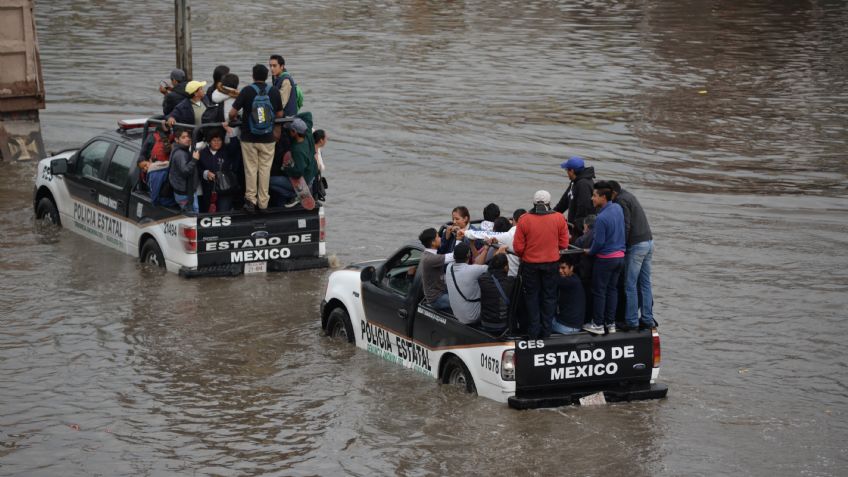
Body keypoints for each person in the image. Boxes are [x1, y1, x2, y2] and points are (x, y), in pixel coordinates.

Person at [513, 190, 570, 339]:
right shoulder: (559, 218)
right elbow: (564, 244)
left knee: (531, 297)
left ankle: (533, 331)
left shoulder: (524, 219)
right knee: (549, 297)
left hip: (530, 265)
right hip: (551, 264)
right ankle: (546, 331)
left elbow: (518, 248)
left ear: (533, 203)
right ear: (549, 203)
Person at [228, 64, 284, 213]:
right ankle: (264, 203)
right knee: (265, 170)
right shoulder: (274, 91)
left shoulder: (247, 91)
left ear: (253, 76)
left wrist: (232, 118)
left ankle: (251, 201)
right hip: (268, 138)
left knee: (251, 170)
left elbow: (232, 113)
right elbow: (279, 115)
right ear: (266, 77)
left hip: (249, 138)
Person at [609, 180, 655, 331]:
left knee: (630, 285)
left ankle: (631, 321)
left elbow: (626, 224)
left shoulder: (620, 200)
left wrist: (621, 246)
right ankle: (647, 318)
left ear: (613, 192)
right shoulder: (628, 195)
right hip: (648, 242)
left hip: (636, 245)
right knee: (645, 283)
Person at [582, 182, 626, 335]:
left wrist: (589, 251)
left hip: (605, 259)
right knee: (612, 290)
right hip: (620, 257)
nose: (592, 198)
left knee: (599, 291)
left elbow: (599, 243)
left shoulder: (601, 218)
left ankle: (598, 324)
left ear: (603, 197)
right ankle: (611, 323)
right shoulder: (618, 208)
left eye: (594, 196)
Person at [446, 242, 504, 325]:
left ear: (454, 256)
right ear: (468, 255)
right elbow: (492, 267)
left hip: (458, 314)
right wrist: (498, 253)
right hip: (472, 317)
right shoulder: (471, 270)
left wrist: (486, 249)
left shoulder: (449, 267)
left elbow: (476, 267)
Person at [269, 113, 318, 207]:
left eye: (290, 130)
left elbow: (298, 173)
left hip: (304, 179)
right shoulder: (307, 132)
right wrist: (293, 118)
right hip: (312, 172)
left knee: (268, 182)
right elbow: (308, 114)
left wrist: (285, 168)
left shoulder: (297, 150)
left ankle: (295, 195)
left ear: (294, 132)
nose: (288, 132)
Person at [554, 156, 595, 239]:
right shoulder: (574, 182)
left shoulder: (584, 185)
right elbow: (563, 203)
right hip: (573, 228)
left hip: (580, 230)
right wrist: (550, 215)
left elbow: (584, 209)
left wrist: (575, 228)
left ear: (572, 171)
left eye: (567, 170)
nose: (566, 173)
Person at [198, 130, 237, 213]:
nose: (217, 143)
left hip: (225, 190)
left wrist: (230, 132)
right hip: (209, 190)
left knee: (223, 212)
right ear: (209, 142)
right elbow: (198, 169)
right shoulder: (202, 153)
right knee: (209, 213)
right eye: (214, 140)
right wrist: (205, 173)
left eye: (219, 140)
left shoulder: (226, 151)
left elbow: (235, 146)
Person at [419, 228, 454, 312]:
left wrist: (447, 235)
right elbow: (455, 256)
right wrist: (459, 239)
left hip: (441, 290)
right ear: (433, 242)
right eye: (438, 237)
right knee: (460, 303)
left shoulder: (430, 253)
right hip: (436, 298)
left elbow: (442, 248)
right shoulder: (430, 258)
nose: (440, 238)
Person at [477, 253, 515, 334]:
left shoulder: (482, 279)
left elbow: (488, 271)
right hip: (502, 325)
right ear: (505, 267)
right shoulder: (511, 281)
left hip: (485, 323)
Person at [168, 129, 200, 213]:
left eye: (188, 137)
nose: (187, 139)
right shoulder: (180, 154)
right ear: (177, 139)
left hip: (186, 190)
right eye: (183, 137)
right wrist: (194, 160)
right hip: (185, 193)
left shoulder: (180, 149)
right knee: (193, 215)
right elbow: (185, 171)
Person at [553, 256, 585, 334]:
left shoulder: (569, 282)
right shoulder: (574, 277)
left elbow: (550, 278)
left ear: (571, 268)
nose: (560, 271)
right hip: (573, 325)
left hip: (567, 327)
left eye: (563, 268)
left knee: (541, 323)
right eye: (558, 268)